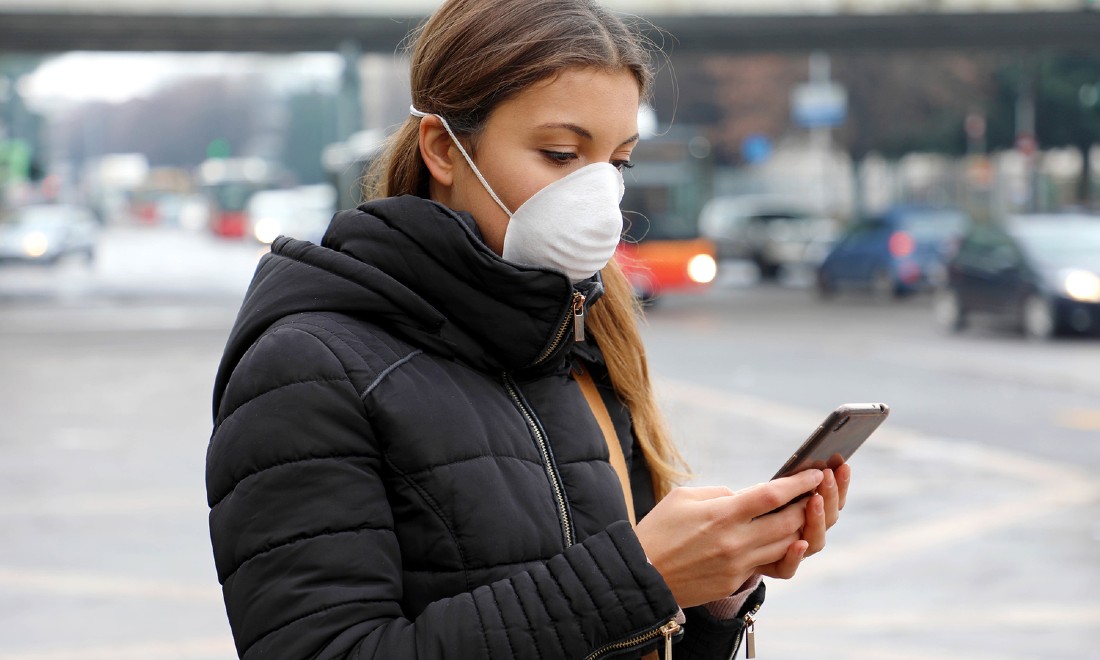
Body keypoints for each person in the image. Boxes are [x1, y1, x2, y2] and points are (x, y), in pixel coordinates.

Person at [205, 0, 851, 657]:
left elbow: (621, 636)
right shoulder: (306, 367)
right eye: (561, 153)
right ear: (442, 150)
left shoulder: (582, 339)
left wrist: (712, 595)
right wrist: (640, 576)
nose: (599, 198)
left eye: (617, 162)